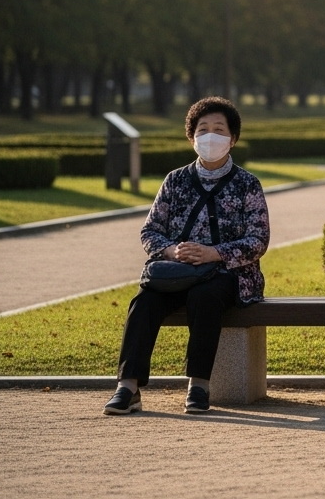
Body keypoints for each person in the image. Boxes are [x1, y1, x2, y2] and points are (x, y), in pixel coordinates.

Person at [104, 97, 270, 415]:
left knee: (205, 297)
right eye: (202, 129)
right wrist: (171, 250)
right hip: (176, 271)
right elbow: (149, 231)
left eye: (219, 129)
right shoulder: (175, 180)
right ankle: (128, 386)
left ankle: (198, 385)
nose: (210, 136)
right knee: (144, 301)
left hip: (227, 275)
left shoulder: (247, 184)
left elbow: (258, 240)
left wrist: (213, 253)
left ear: (233, 138)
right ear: (191, 137)